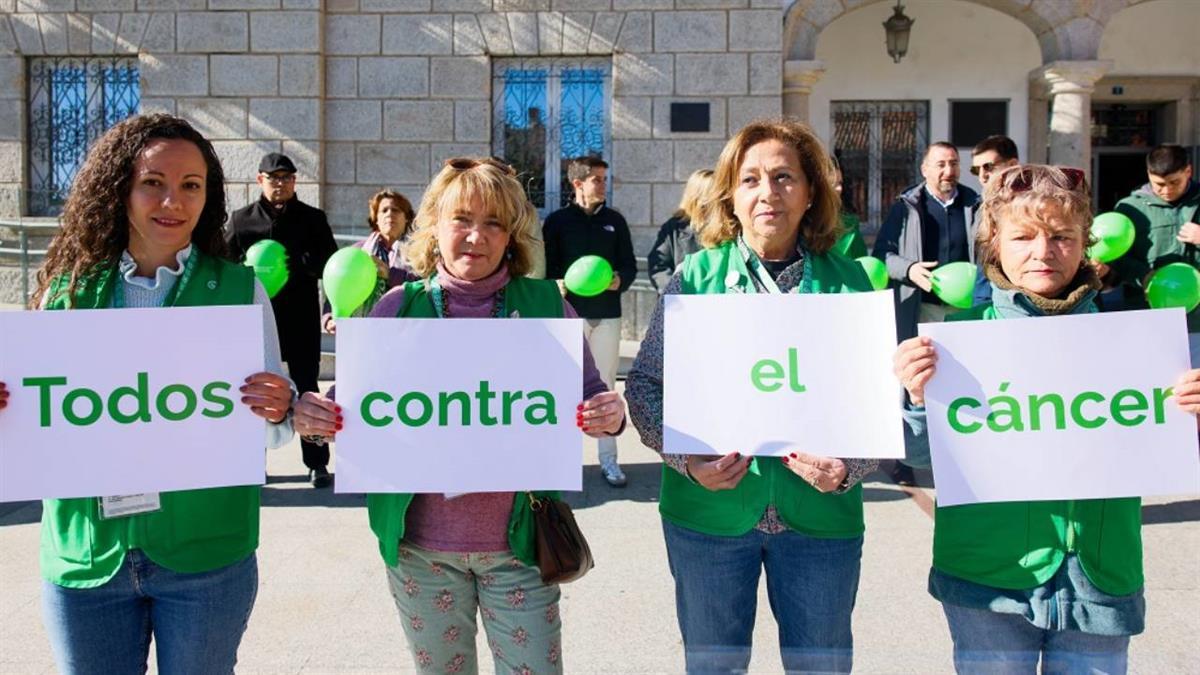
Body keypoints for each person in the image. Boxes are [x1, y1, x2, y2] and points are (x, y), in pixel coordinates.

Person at [292, 157, 626, 675]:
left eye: (493, 222)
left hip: (521, 545)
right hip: (419, 550)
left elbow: (591, 394)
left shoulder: (545, 306)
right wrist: (316, 413)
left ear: (511, 234)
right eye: (461, 219)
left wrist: (608, 413)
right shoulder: (399, 307)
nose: (476, 235)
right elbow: (353, 406)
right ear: (434, 226)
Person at [6, 113, 294, 675]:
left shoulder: (239, 289)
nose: (173, 201)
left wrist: (277, 406)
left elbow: (270, 426)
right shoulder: (67, 290)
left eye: (191, 186)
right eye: (153, 183)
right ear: (120, 189)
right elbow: (36, 414)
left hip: (205, 555)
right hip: (87, 555)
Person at [893, 163, 1200, 672]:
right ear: (994, 242)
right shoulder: (956, 344)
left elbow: (1167, 453)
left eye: (1061, 235)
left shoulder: (1138, 348)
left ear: (1086, 244)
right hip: (987, 578)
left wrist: (1191, 417)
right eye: (1024, 236)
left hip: (1099, 577)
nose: (1043, 251)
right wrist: (918, 400)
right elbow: (922, 458)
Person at [626, 119, 878, 674]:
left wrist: (850, 468)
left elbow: (876, 400)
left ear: (811, 192)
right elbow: (644, 385)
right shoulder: (696, 277)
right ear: (731, 196)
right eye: (751, 180)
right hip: (708, 520)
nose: (769, 193)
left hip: (820, 520)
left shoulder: (850, 284)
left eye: (785, 177)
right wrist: (686, 461)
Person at [227, 152, 338, 488]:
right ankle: (254, 463)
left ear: (294, 182)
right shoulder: (241, 220)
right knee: (257, 391)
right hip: (256, 322)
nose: (280, 184)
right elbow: (224, 266)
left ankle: (317, 463)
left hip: (300, 319)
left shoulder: (313, 219)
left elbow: (332, 269)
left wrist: (306, 270)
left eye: (287, 178)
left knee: (307, 389)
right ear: (260, 180)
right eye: (273, 178)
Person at [543, 156, 637, 487]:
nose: (603, 184)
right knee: (564, 387)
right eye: (597, 179)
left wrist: (618, 278)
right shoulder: (556, 222)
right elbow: (545, 267)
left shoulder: (615, 221)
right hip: (569, 316)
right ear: (578, 183)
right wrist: (554, 283)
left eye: (604, 179)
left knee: (606, 387)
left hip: (607, 314)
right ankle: (561, 460)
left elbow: (629, 266)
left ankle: (609, 461)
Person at [1111, 144, 1200, 327]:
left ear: (1188, 171)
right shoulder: (1130, 208)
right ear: (1148, 174)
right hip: (1147, 310)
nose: (1166, 190)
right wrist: (1143, 276)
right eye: (1159, 184)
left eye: (1174, 182)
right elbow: (1116, 257)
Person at [321, 189, 418, 334]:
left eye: (396, 210)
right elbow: (338, 286)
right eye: (384, 210)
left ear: (407, 218)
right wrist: (328, 318)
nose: (389, 214)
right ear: (376, 219)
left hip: (404, 331)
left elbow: (427, 287)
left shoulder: (418, 253)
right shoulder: (356, 252)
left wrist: (390, 274)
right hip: (360, 334)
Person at [968, 135, 1020, 307]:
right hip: (985, 298)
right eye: (976, 170)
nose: (982, 175)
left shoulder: (1033, 205)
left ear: (1012, 165)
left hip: (1019, 301)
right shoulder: (979, 207)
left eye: (988, 167)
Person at [647, 169, 711, 292]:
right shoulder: (673, 228)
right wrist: (676, 291)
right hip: (683, 302)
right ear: (698, 197)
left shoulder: (729, 227)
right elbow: (659, 267)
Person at [829, 154, 867, 259]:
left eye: (840, 183)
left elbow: (861, 267)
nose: (839, 189)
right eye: (832, 183)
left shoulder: (849, 227)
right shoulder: (798, 226)